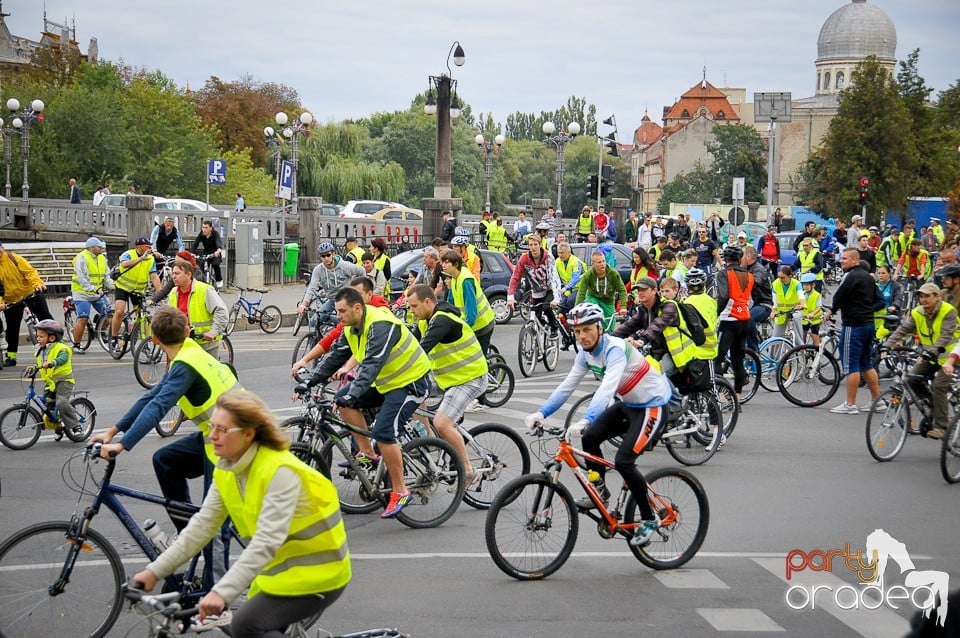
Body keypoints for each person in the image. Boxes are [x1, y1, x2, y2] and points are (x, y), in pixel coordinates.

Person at [132, 390, 350, 637]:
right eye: (212, 426)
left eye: (222, 430)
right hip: (279, 573)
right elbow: (201, 527)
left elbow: (266, 542)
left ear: (248, 434)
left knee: (246, 625)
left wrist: (220, 591)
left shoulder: (280, 472)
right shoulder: (227, 468)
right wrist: (154, 571)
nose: (212, 435)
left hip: (319, 575)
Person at [92, 307, 242, 583]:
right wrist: (112, 431)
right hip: (220, 436)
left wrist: (122, 445)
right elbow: (152, 398)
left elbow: (159, 406)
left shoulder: (185, 366)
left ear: (154, 340)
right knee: (165, 460)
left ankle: (215, 595)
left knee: (212, 522)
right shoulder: (188, 352)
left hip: (233, 445)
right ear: (186, 331)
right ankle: (188, 537)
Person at [524, 303, 672, 547]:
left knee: (624, 461)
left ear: (600, 328)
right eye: (577, 331)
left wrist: (586, 418)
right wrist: (541, 412)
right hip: (630, 405)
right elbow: (567, 385)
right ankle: (600, 490)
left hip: (652, 406)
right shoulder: (584, 354)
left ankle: (649, 518)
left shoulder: (615, 349)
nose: (582, 336)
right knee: (591, 437)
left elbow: (607, 388)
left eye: (587, 329)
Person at [297, 287, 432, 518]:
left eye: (342, 311)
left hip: (411, 382)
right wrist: (309, 382)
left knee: (383, 432)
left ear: (357, 307)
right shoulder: (352, 328)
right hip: (387, 382)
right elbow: (334, 357)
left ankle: (400, 490)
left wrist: (355, 392)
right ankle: (368, 454)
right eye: (337, 311)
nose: (338, 316)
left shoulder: (379, 324)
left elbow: (371, 364)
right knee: (343, 402)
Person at [406, 285, 487, 482]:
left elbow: (420, 351)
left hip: (470, 378)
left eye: (414, 306)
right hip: (448, 378)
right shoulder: (426, 320)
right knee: (411, 391)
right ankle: (427, 438)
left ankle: (469, 470)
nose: (412, 312)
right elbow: (409, 345)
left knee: (442, 423)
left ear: (428, 302)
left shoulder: (442, 320)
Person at [883, 283, 957, 439]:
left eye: (927, 296)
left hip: (951, 357)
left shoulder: (948, 311)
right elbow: (903, 330)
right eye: (921, 296)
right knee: (911, 379)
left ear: (937, 297)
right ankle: (933, 405)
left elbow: (946, 336)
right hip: (931, 357)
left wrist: (931, 352)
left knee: (939, 386)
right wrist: (887, 346)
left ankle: (941, 427)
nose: (923, 300)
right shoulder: (917, 312)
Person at [822, 247, 882, 414]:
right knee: (866, 364)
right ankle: (877, 400)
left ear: (855, 260)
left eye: (845, 258)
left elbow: (838, 296)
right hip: (869, 324)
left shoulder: (851, 276)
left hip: (853, 325)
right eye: (842, 258)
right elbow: (878, 300)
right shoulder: (868, 278)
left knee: (850, 365)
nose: (842, 261)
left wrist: (832, 310)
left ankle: (850, 404)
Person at [0, 243, 52, 366]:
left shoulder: (14, 258)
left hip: (30, 292)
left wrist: (38, 285)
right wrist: (1, 303)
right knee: (12, 327)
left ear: (2, 248)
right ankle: (11, 356)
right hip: (11, 299)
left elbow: (30, 273)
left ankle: (58, 346)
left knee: (46, 318)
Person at [168, 254, 229, 357]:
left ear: (188, 274)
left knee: (206, 373)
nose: (174, 276)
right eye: (173, 273)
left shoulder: (204, 290)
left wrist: (213, 332)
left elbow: (221, 312)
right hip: (183, 344)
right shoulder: (173, 293)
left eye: (177, 273)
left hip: (205, 344)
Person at [714, 246, 754, 398]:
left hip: (728, 319)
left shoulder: (724, 274)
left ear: (724, 259)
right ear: (739, 259)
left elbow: (724, 296)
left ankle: (720, 395)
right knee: (738, 358)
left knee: (717, 358)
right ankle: (737, 396)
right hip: (744, 319)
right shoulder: (749, 276)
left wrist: (715, 313)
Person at [29, 319, 80, 440]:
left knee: (61, 402)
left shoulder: (61, 348)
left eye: (41, 336)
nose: (38, 339)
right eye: (37, 336)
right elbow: (41, 362)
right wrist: (33, 367)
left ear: (51, 338)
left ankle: (76, 426)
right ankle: (59, 427)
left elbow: (62, 359)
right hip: (50, 381)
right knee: (46, 406)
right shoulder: (40, 349)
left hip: (64, 380)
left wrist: (53, 362)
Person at [110, 236, 162, 350]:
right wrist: (140, 259)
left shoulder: (150, 259)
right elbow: (124, 264)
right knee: (119, 312)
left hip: (138, 290)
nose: (150, 249)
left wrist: (161, 294)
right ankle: (113, 338)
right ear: (140, 247)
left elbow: (154, 277)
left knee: (142, 314)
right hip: (122, 287)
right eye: (148, 247)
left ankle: (144, 343)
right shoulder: (128, 254)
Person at [440, 250, 496, 354]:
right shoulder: (454, 277)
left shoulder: (466, 281)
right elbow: (450, 302)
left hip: (482, 325)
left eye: (446, 262)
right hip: (472, 324)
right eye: (442, 262)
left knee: (478, 360)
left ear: (456, 264)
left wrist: (461, 330)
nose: (443, 265)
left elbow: (471, 312)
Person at [508, 235, 562, 334]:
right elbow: (515, 277)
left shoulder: (548, 257)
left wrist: (556, 298)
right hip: (536, 291)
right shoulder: (524, 258)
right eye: (531, 245)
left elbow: (554, 278)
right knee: (535, 319)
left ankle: (554, 327)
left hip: (550, 289)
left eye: (535, 244)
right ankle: (537, 344)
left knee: (546, 308)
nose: (533, 247)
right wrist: (510, 297)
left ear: (540, 245)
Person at [298, 242, 364, 317]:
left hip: (346, 299)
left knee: (342, 321)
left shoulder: (345, 266)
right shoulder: (318, 270)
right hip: (332, 300)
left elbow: (362, 271)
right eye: (323, 256)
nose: (326, 258)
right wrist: (303, 305)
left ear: (333, 254)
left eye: (328, 255)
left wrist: (360, 290)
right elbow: (312, 288)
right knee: (315, 320)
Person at [70, 237, 113, 353]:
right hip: (82, 293)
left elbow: (106, 275)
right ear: (92, 247)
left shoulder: (102, 258)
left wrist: (112, 285)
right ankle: (76, 345)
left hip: (97, 292)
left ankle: (102, 332)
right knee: (83, 318)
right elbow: (82, 278)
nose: (102, 248)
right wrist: (94, 288)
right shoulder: (82, 258)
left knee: (110, 314)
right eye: (99, 246)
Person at [576, 251, 627, 331]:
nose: (602, 264)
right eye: (599, 262)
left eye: (603, 261)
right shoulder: (588, 275)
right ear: (593, 264)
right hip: (593, 298)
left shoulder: (613, 274)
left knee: (609, 328)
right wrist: (578, 309)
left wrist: (623, 306)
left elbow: (622, 290)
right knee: (593, 311)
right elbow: (581, 293)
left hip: (608, 301)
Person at [741, 246, 773, 352]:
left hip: (764, 304)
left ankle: (754, 350)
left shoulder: (759, 269)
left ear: (748, 256)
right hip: (753, 304)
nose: (740, 258)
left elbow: (756, 281)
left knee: (748, 319)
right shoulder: (746, 268)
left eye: (742, 255)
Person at [772, 265, 804, 339]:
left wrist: (801, 305)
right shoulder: (776, 284)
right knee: (775, 337)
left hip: (795, 310)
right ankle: (774, 350)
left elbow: (801, 296)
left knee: (797, 337)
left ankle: (801, 349)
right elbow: (774, 301)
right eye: (779, 277)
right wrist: (773, 311)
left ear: (790, 276)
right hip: (781, 312)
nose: (780, 279)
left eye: (783, 277)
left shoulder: (796, 284)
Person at [555, 242, 585, 316]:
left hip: (579, 288)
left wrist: (565, 288)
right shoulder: (557, 261)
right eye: (559, 253)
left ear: (569, 253)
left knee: (570, 302)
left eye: (562, 253)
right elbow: (554, 276)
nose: (560, 255)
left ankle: (574, 321)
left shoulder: (576, 262)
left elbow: (575, 278)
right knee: (560, 307)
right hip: (567, 289)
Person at [193, 220, 225, 289]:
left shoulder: (215, 234)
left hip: (214, 253)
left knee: (215, 264)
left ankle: (218, 279)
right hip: (206, 252)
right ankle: (201, 282)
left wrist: (218, 250)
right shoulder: (201, 234)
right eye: (203, 227)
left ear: (210, 228)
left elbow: (218, 242)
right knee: (199, 266)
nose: (204, 229)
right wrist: (191, 252)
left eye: (206, 227)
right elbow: (196, 243)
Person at [799, 273, 823, 346]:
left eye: (807, 285)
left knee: (815, 335)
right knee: (802, 335)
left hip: (814, 319)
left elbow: (819, 307)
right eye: (804, 285)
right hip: (804, 318)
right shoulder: (802, 294)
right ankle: (803, 351)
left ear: (813, 285)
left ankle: (817, 350)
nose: (805, 287)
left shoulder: (817, 295)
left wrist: (813, 313)